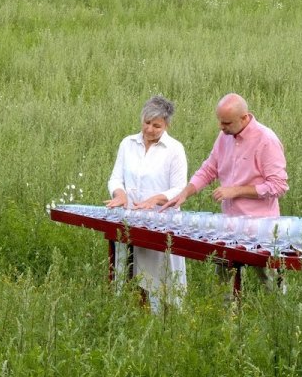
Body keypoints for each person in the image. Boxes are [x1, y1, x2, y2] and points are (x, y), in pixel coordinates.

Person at [160, 93, 288, 294]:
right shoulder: (225, 136)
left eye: (226, 123)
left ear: (244, 118)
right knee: (225, 285)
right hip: (229, 226)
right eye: (220, 122)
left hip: (261, 228)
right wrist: (184, 193)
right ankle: (228, 323)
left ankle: (282, 320)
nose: (221, 127)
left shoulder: (266, 140)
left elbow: (278, 185)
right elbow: (209, 169)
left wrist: (236, 191)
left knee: (271, 284)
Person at [105, 95, 188, 312]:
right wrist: (120, 194)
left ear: (167, 125)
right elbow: (115, 178)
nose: (149, 129)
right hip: (131, 219)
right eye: (146, 123)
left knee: (161, 278)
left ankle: (164, 319)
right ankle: (134, 314)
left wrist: (156, 198)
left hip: (162, 222)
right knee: (130, 271)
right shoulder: (128, 143)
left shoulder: (174, 149)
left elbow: (179, 188)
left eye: (156, 125)